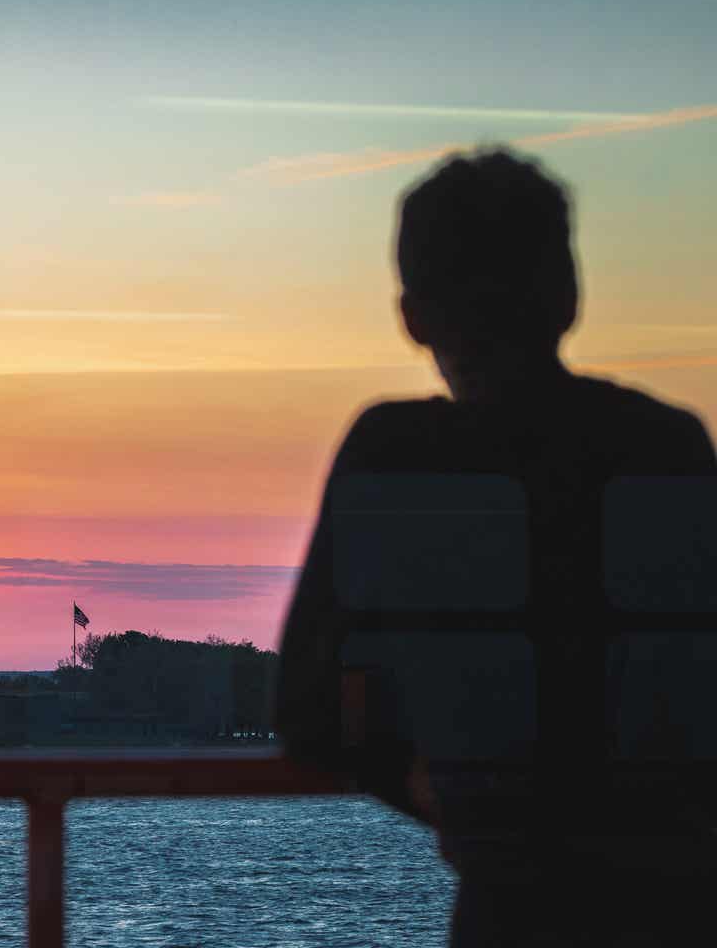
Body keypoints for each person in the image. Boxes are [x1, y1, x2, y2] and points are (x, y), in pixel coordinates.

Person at [274, 147, 717, 946]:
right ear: (570, 296)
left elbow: (308, 710)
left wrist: (448, 792)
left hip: (510, 907)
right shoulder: (669, 446)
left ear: (413, 314)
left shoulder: (392, 455)